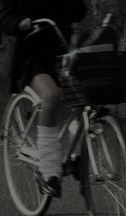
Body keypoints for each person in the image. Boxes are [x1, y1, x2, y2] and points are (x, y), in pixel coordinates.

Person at [0, 0, 87, 197]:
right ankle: (48, 171)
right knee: (51, 95)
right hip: (30, 54)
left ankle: (74, 154)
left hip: (63, 49)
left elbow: (79, 11)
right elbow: (4, 18)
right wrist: (20, 23)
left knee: (86, 100)